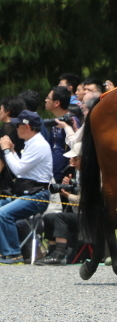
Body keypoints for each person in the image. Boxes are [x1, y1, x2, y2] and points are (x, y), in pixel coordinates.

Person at [0, 110, 53, 265]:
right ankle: (5, 252)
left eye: (18, 126)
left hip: (37, 195)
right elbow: (22, 168)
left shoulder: (38, 145)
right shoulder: (33, 143)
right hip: (27, 192)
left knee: (3, 214)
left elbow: (18, 170)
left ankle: (14, 255)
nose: (16, 129)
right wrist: (11, 151)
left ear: (27, 127)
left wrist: (5, 150)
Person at [35, 142, 82, 266]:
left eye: (75, 158)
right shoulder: (77, 172)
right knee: (49, 217)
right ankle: (52, 252)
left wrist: (67, 194)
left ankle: (60, 254)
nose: (71, 160)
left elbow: (85, 201)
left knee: (60, 217)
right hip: (79, 213)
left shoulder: (92, 175)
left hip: (91, 217)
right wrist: (70, 188)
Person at [45, 86, 81, 183]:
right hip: (53, 173)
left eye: (48, 98)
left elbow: (77, 146)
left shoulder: (71, 120)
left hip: (66, 176)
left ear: (57, 103)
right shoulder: (56, 120)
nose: (45, 100)